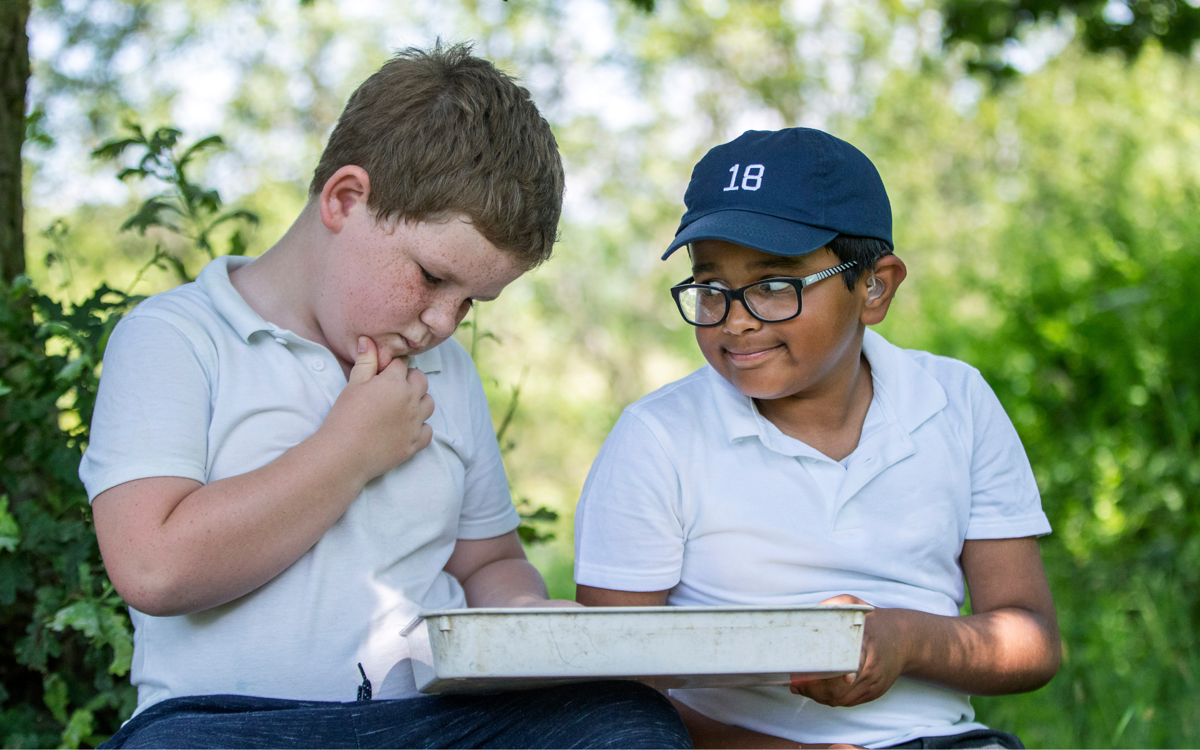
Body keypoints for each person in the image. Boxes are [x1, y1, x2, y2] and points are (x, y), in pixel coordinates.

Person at [82, 44, 690, 750]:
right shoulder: (178, 338)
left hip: (429, 726)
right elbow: (154, 569)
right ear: (345, 199)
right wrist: (349, 452)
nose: (442, 322)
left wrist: (526, 619)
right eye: (433, 278)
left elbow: (486, 561)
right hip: (232, 724)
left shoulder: (448, 371)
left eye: (473, 302)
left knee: (628, 724)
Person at [573, 128, 1061, 749]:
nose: (738, 318)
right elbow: (610, 684)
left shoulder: (954, 403)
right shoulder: (659, 437)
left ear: (875, 286)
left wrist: (904, 640)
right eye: (710, 288)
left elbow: (1032, 638)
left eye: (776, 285)